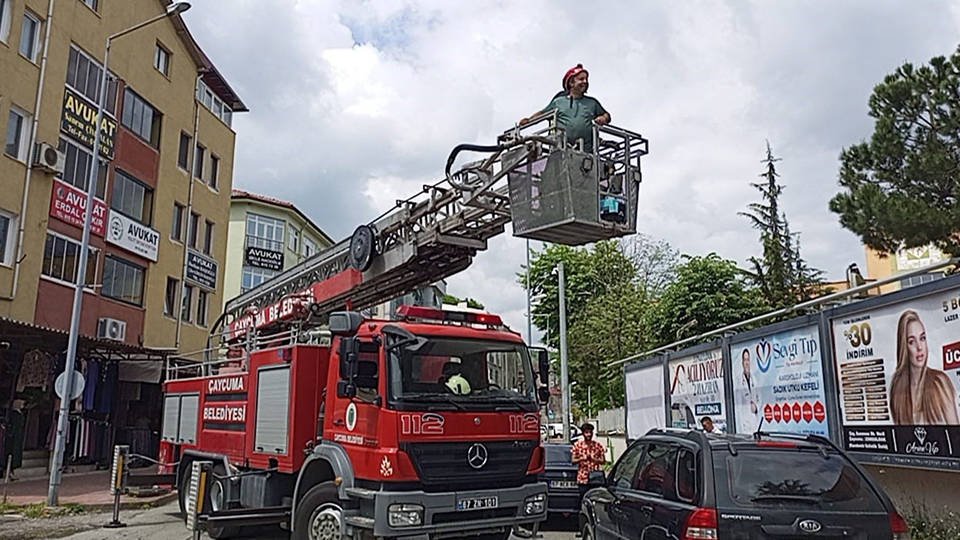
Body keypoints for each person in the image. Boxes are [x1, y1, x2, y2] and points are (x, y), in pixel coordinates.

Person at [520, 64, 611, 153]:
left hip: (586, 153)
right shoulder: (559, 102)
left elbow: (606, 115)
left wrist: (604, 118)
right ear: (571, 82)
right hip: (561, 151)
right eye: (581, 79)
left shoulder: (592, 102)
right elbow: (543, 113)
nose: (585, 82)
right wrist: (529, 120)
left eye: (586, 79)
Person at [890, 310, 959, 425]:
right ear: (904, 347)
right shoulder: (897, 388)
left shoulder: (940, 382)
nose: (919, 347)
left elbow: (956, 433)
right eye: (911, 342)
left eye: (922, 338)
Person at [571, 422, 606, 500]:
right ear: (583, 434)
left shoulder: (597, 445)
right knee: (583, 498)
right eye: (586, 432)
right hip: (583, 478)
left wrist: (594, 459)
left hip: (595, 477)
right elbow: (573, 460)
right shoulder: (578, 446)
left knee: (595, 499)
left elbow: (603, 461)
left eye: (590, 432)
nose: (589, 435)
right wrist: (582, 458)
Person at [739, 348, 760, 430]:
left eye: (748, 360)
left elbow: (760, 399)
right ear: (742, 362)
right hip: (744, 425)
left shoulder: (754, 380)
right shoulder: (738, 382)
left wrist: (756, 406)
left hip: (755, 422)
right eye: (745, 360)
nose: (747, 363)